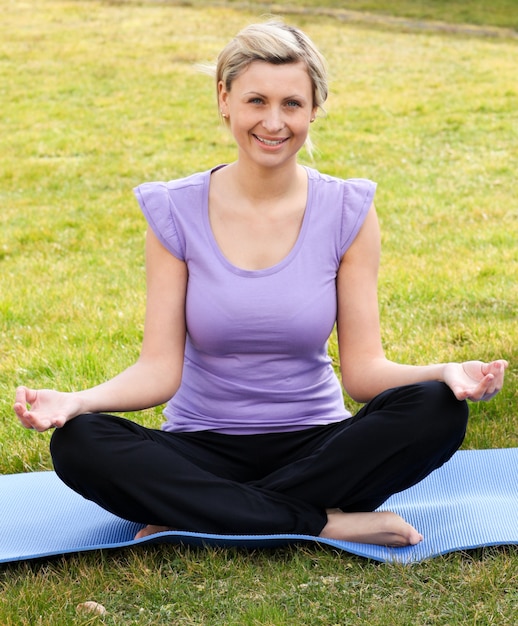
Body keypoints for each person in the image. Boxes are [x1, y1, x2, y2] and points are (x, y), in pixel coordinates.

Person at [14, 21, 507, 548]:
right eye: (256, 100)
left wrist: (446, 372)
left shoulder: (348, 211)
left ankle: (201, 509)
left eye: (292, 104)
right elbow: (157, 371)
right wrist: (75, 401)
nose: (273, 122)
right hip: (201, 446)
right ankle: (317, 521)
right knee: (80, 441)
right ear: (224, 99)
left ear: (315, 107)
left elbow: (363, 374)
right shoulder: (174, 211)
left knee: (436, 408)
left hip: (319, 449)